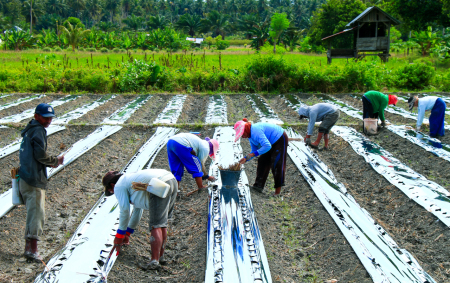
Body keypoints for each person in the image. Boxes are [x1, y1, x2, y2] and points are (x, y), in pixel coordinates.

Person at [102, 169, 178, 270]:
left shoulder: (119, 186)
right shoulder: (129, 181)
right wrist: (127, 233)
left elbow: (124, 211)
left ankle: (154, 261)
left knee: (156, 225)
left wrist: (119, 236)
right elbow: (137, 212)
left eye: (111, 191)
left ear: (112, 185)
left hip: (160, 184)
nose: (113, 193)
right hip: (171, 180)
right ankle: (160, 257)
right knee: (161, 223)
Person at [18, 103, 64, 261]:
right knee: (37, 214)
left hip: (25, 177)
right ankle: (33, 251)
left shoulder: (29, 129)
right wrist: (55, 160)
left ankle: (28, 249)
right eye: (45, 118)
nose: (48, 121)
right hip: (33, 179)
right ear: (37, 116)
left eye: (50, 118)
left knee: (32, 214)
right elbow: (40, 155)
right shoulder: (38, 130)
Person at [235, 119, 288, 196]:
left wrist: (254, 154)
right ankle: (258, 186)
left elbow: (267, 146)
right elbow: (254, 150)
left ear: (245, 130)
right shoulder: (250, 137)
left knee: (276, 163)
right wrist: (246, 158)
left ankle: (277, 192)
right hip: (269, 143)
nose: (242, 136)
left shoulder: (255, 131)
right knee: (262, 161)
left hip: (279, 138)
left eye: (242, 134)